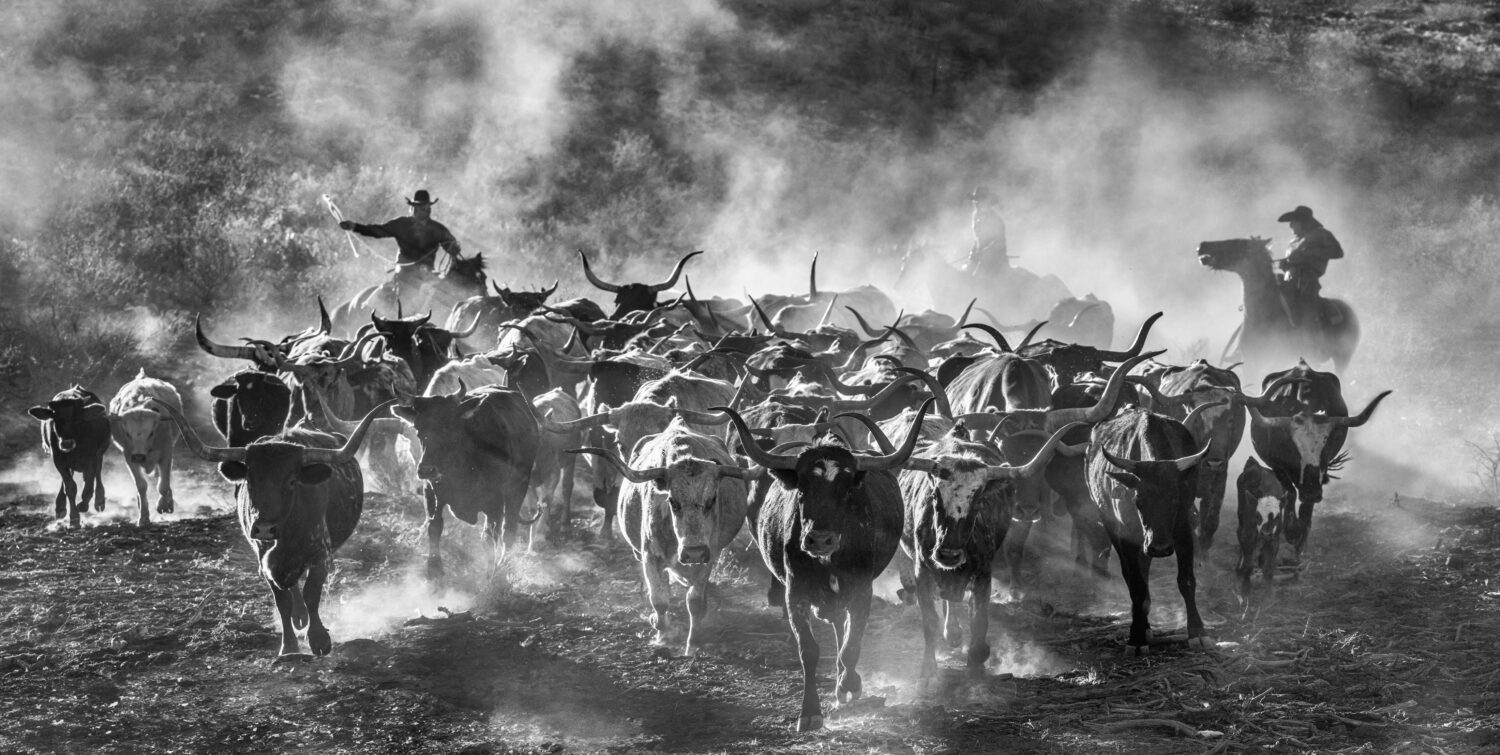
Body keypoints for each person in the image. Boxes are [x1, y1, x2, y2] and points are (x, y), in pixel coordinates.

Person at [339, 189, 462, 291]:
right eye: (419, 207)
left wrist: (454, 249)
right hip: (405, 275)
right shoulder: (401, 224)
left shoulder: (438, 229)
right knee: (404, 296)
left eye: (425, 207)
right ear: (413, 208)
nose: (423, 210)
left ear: (429, 208)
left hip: (428, 276)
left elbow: (452, 247)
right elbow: (376, 231)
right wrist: (354, 226)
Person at [1274, 205, 1344, 326]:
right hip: (1290, 277)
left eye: (1293, 222)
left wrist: (1312, 253)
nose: (1290, 226)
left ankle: (1319, 323)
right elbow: (1292, 261)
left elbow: (1338, 252)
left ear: (1302, 222)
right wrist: (1284, 265)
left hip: (1307, 279)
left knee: (1307, 305)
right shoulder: (1294, 242)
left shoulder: (1321, 234)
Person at [963, 186, 1009, 276]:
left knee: (979, 277)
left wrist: (985, 251)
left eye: (979, 201)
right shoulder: (976, 216)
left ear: (987, 203)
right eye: (975, 201)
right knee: (967, 274)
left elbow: (999, 241)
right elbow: (977, 240)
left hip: (995, 259)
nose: (976, 204)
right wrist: (973, 254)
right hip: (980, 258)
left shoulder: (995, 219)